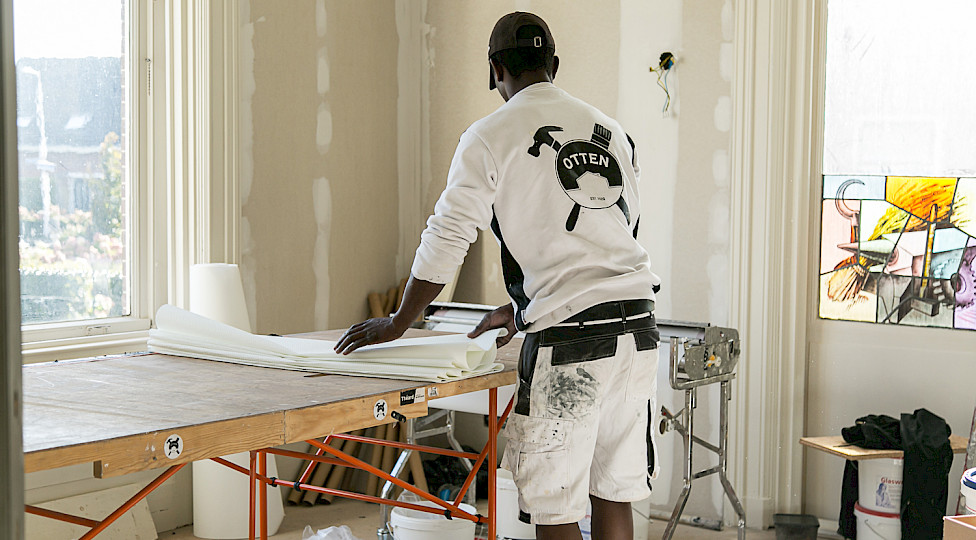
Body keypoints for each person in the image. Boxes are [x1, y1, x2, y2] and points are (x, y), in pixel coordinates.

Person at [335, 11, 660, 540]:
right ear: (554, 65)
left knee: (556, 506)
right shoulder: (613, 132)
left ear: (494, 70)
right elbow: (615, 234)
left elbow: (448, 235)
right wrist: (523, 307)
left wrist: (398, 322)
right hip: (638, 333)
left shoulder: (488, 136)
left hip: (571, 344)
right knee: (613, 491)